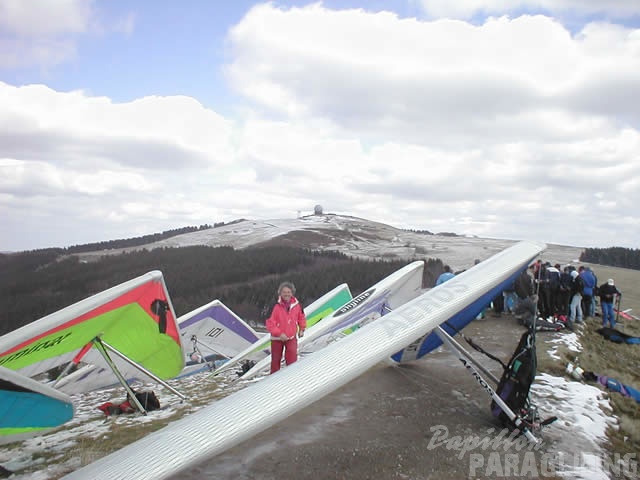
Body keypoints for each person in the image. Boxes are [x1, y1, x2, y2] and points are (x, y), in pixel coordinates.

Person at [266, 281, 306, 374]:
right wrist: (279, 333)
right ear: (280, 293)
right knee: (276, 361)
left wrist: (302, 329)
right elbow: (269, 323)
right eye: (284, 292)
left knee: (292, 359)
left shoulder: (297, 305)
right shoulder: (274, 305)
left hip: (291, 337)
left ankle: (291, 377)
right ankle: (274, 380)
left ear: (292, 293)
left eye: (288, 292)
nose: (286, 294)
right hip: (277, 338)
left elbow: (301, 317)